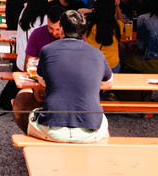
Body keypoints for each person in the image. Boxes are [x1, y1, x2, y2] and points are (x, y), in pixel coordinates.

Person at [13, 9, 108, 142]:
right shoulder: (97, 54)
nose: (55, 32)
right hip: (90, 132)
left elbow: (42, 80)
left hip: (53, 131)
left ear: (62, 29)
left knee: (26, 109)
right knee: (103, 122)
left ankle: (35, 144)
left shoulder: (47, 50)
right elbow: (109, 83)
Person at [83, 0, 123, 72]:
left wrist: (81, 12)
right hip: (113, 66)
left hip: (93, 67)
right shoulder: (117, 26)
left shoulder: (87, 27)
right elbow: (121, 21)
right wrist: (117, 6)